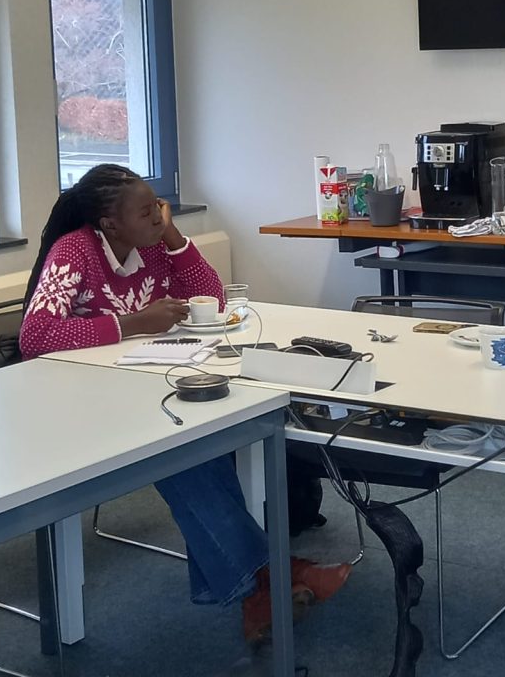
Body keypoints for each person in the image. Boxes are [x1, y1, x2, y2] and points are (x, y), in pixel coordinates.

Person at [19, 164, 351, 644]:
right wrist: (132, 323)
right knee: (183, 452)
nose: (157, 216)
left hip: (136, 387)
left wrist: (173, 237)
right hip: (77, 404)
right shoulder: (75, 251)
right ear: (110, 223)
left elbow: (211, 297)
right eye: (146, 212)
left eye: (158, 206)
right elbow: (36, 336)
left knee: (201, 444)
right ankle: (270, 575)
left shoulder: (154, 246)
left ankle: (259, 584)